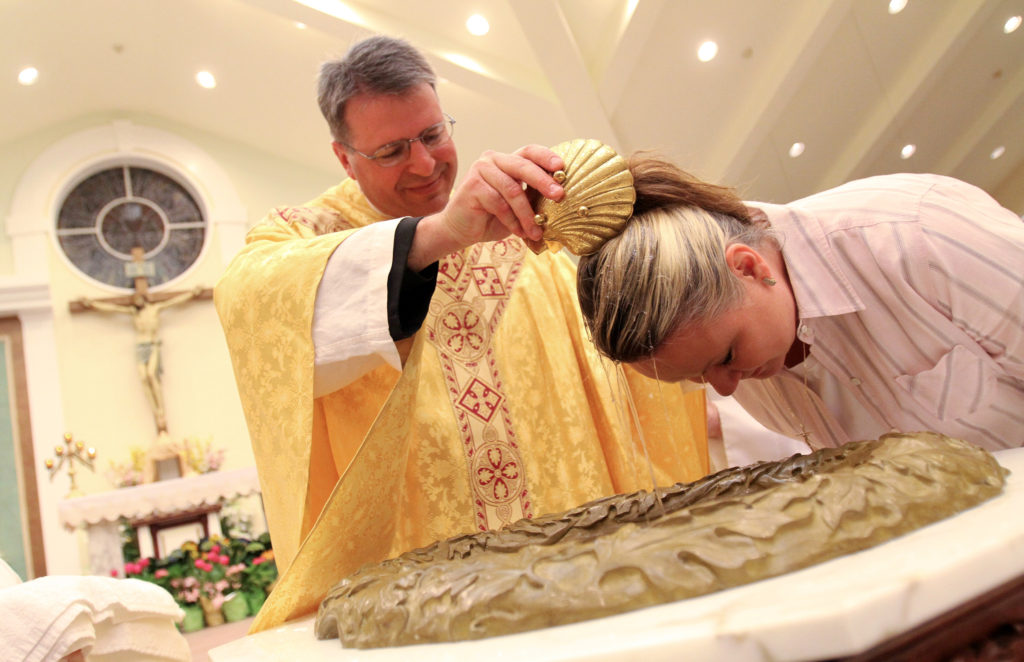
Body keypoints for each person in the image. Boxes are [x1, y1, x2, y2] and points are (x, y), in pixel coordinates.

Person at [214, 36, 708, 631]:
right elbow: (254, 306)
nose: (424, 165)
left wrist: (584, 203)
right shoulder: (306, 234)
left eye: (432, 135)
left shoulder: (519, 220)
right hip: (425, 588)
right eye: (392, 151)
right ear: (345, 159)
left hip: (570, 551)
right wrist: (442, 233)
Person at [578, 155, 1024, 454]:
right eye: (698, 376)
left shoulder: (914, 234)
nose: (726, 388)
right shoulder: (748, 356)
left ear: (749, 267)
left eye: (727, 357)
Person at [73, 287, 205, 435]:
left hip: (152, 344)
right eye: (134, 300)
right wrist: (91, 303)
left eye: (139, 298)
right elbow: (112, 308)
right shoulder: (132, 313)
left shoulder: (155, 308)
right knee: (143, 378)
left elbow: (174, 300)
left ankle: (161, 410)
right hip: (140, 346)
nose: (137, 301)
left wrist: (191, 293)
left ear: (144, 298)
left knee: (151, 375)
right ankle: (156, 411)